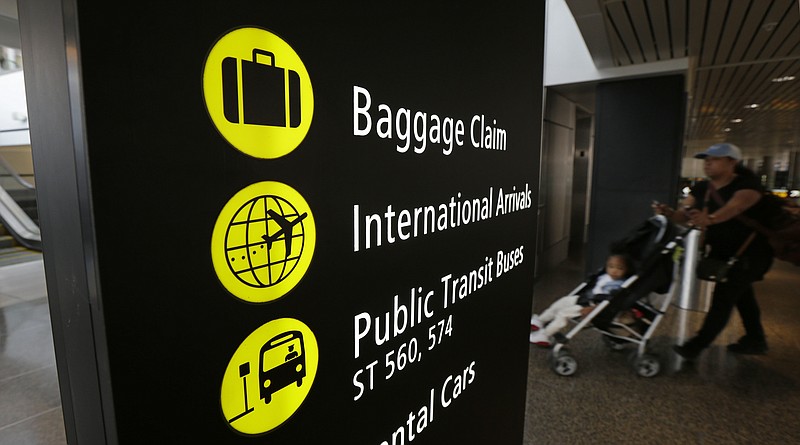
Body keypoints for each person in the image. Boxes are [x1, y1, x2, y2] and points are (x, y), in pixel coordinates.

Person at [653, 142, 774, 359]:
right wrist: (671, 213)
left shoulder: (748, 186)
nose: (708, 163)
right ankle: (756, 339)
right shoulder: (702, 188)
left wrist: (710, 219)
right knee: (743, 296)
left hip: (749, 253)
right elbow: (685, 214)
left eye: (715, 159)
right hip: (722, 252)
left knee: (724, 298)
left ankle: (696, 346)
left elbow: (735, 207)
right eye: (706, 159)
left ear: (732, 163)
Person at [529, 252, 633, 347]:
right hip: (585, 299)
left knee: (563, 314)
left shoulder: (620, 285)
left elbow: (611, 301)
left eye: (620, 268)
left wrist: (592, 308)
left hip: (591, 307)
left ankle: (545, 335)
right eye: (611, 266)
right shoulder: (604, 276)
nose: (614, 270)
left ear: (626, 270)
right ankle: (540, 320)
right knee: (561, 303)